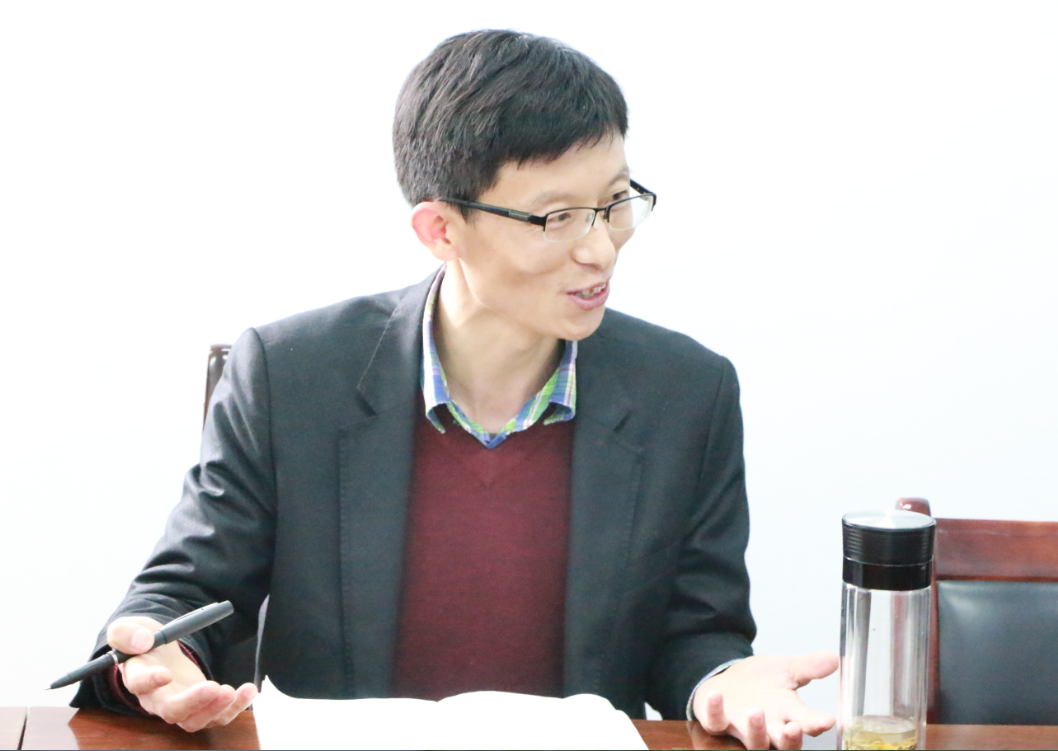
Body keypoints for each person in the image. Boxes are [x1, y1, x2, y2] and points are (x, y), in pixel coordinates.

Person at [72, 30, 837, 750]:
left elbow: (695, 633)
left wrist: (723, 678)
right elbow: (184, 593)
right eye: (557, 217)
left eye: (613, 203)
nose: (600, 248)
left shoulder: (687, 392)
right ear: (441, 229)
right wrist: (156, 659)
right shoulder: (290, 375)